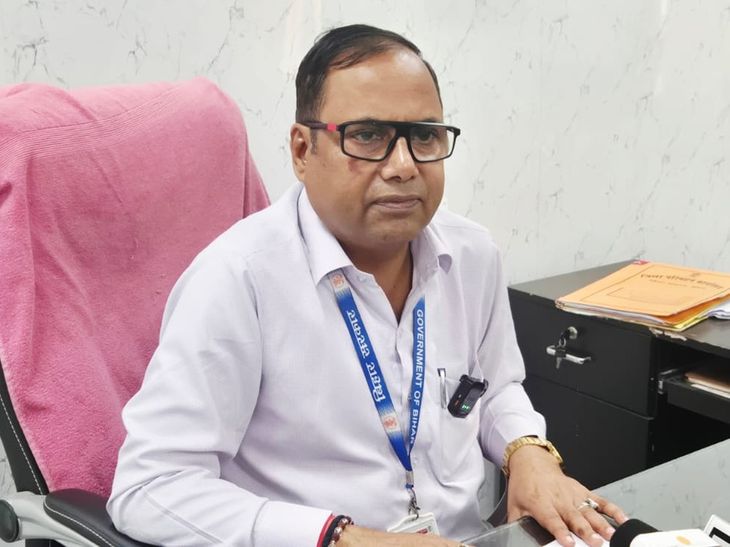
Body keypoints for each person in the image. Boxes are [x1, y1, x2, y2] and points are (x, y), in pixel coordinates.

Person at [108, 24, 627, 547]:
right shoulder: (237, 279)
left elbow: (492, 389)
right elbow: (150, 488)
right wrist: (343, 538)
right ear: (302, 149)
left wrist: (528, 452)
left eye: (424, 135)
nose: (403, 166)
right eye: (367, 135)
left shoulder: (472, 255)